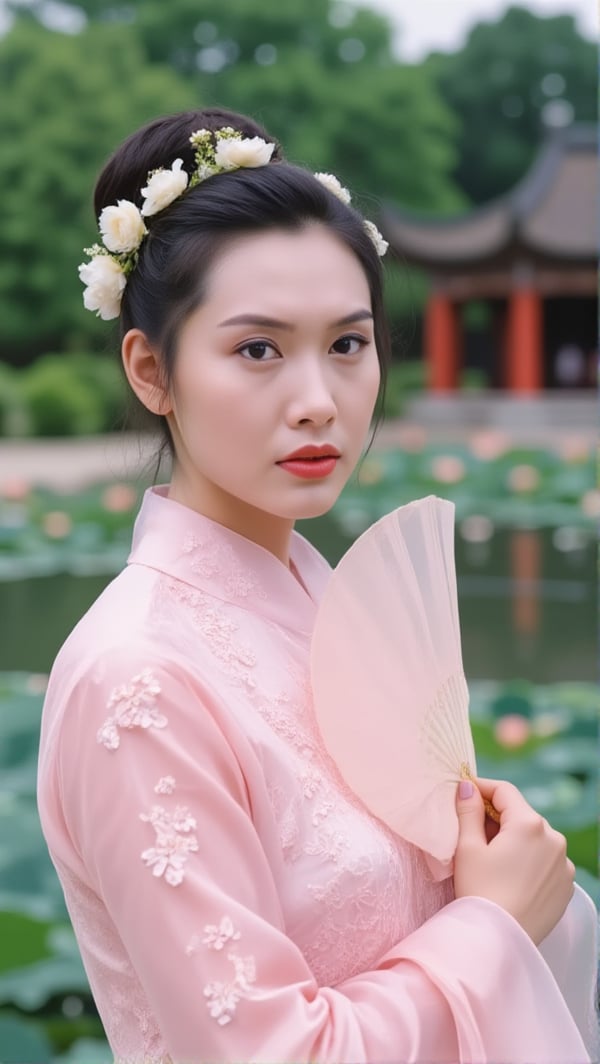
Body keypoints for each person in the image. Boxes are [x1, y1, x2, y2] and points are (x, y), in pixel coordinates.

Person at [37, 108, 596, 1063]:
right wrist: (494, 924)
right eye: (258, 349)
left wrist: (492, 874)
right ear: (151, 371)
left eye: (348, 344)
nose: (319, 400)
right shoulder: (137, 679)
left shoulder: (320, 593)